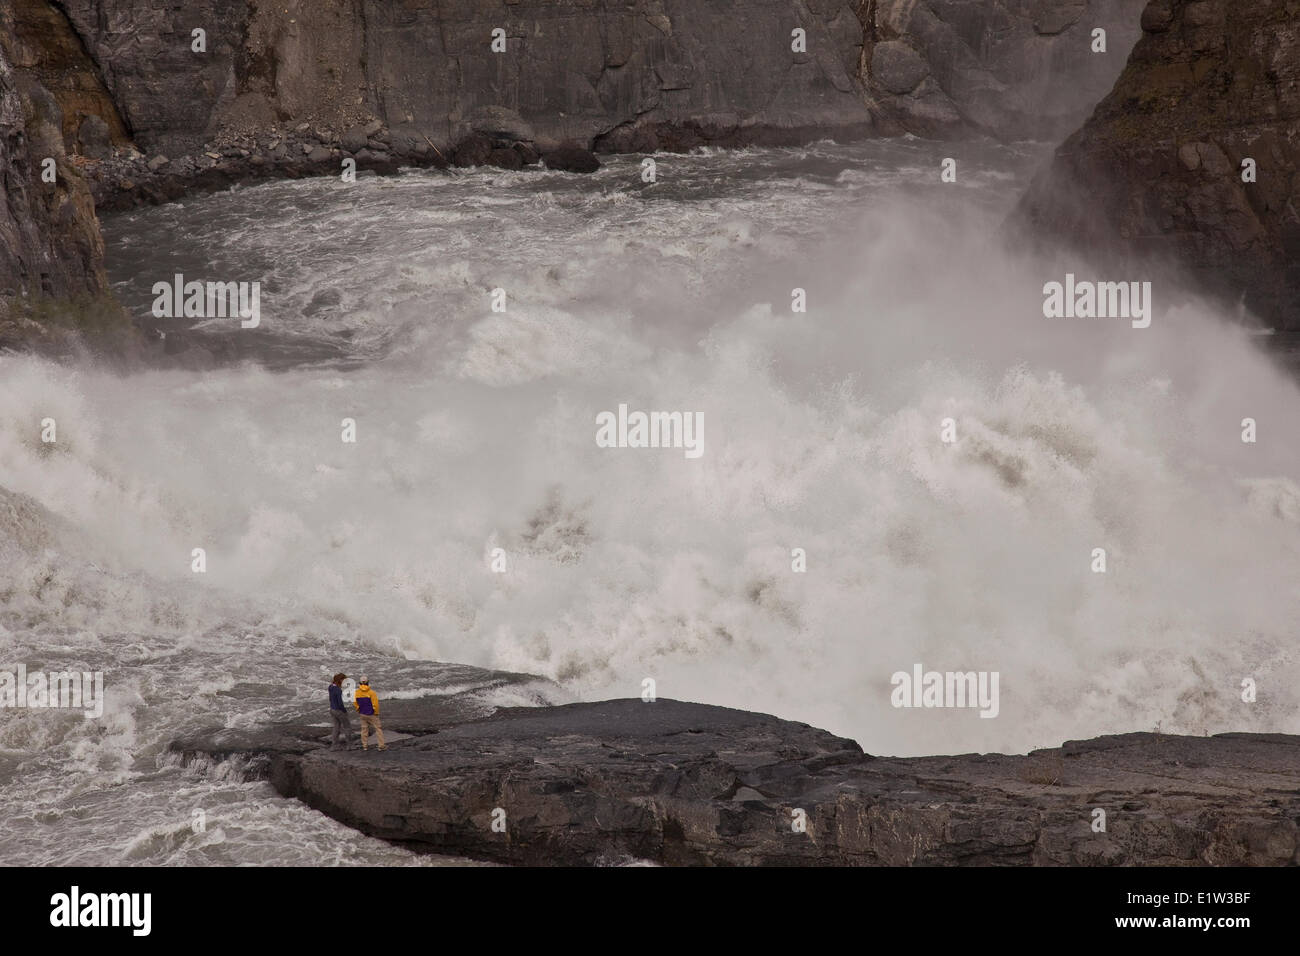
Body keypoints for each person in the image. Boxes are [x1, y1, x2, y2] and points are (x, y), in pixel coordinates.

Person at [354, 676, 386, 751]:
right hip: (371, 714)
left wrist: (359, 710)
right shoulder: (372, 693)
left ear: (359, 683)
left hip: (362, 713)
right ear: (368, 682)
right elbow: (375, 705)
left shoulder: (357, 692)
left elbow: (355, 703)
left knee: (364, 729)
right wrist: (376, 713)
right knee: (378, 729)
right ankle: (381, 746)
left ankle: (365, 746)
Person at [328, 673, 351, 749]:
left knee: (336, 727)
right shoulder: (338, 690)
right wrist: (344, 711)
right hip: (338, 710)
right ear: (340, 680)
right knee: (347, 727)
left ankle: (334, 745)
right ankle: (349, 745)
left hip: (332, 709)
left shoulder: (330, 687)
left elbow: (331, 699)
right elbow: (340, 703)